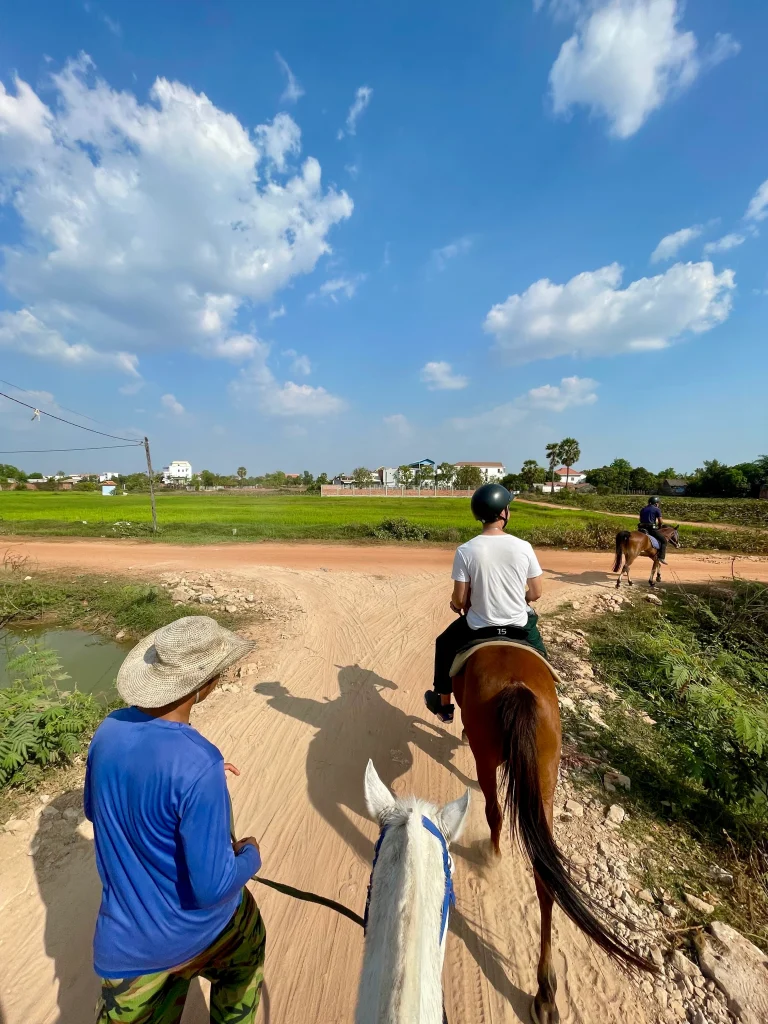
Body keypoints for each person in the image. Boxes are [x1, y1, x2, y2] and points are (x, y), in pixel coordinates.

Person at [85, 615, 266, 1024]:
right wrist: (251, 853)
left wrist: (188, 787)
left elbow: (99, 811)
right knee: (249, 950)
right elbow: (212, 888)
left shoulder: (107, 730)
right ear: (204, 686)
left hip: (126, 951)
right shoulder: (199, 762)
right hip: (202, 930)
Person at [424, 483, 547, 724]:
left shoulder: (465, 550)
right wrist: (522, 599)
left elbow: (460, 599)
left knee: (444, 643)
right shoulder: (523, 547)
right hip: (519, 625)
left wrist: (455, 604)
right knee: (542, 660)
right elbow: (536, 592)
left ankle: (445, 707)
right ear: (503, 513)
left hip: (478, 628)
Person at [638, 495, 667, 564]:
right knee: (664, 541)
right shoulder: (657, 509)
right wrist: (659, 527)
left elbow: (640, 519)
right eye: (658, 503)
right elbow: (660, 521)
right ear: (656, 503)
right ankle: (661, 557)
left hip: (641, 528)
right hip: (651, 529)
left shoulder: (643, 509)